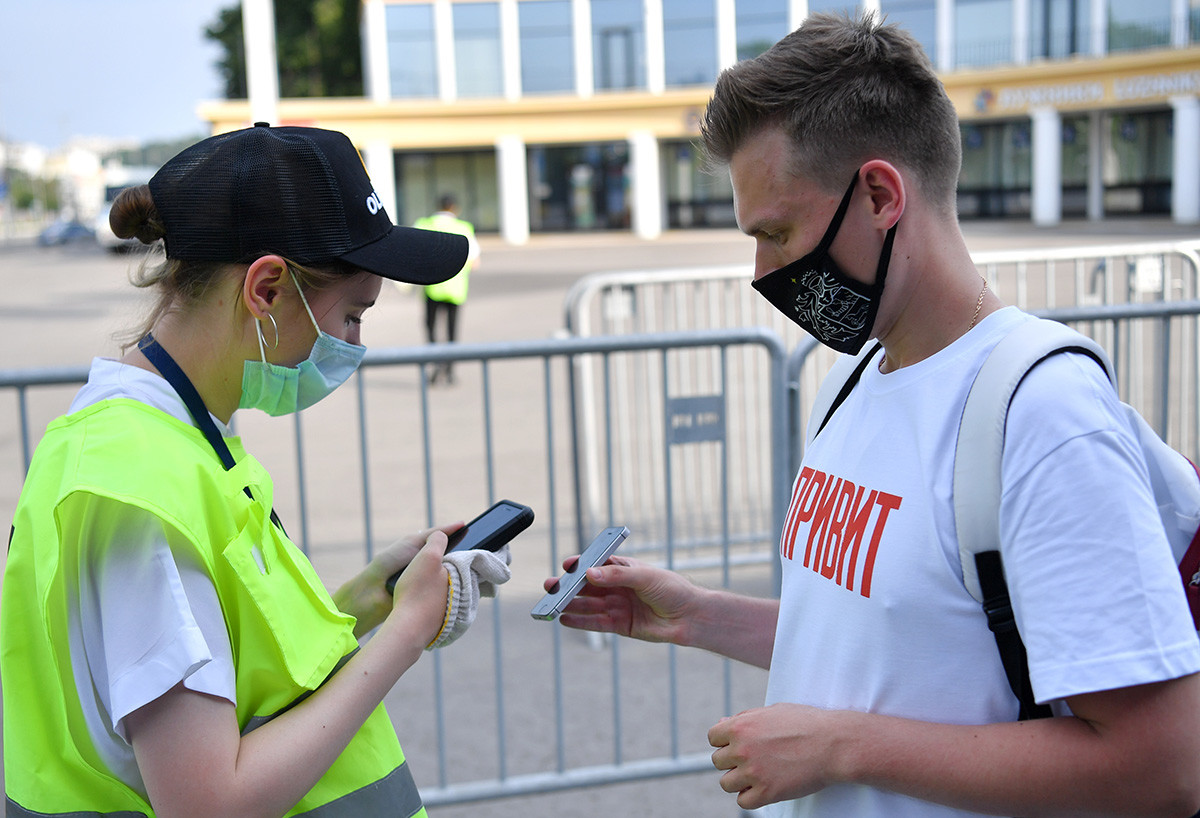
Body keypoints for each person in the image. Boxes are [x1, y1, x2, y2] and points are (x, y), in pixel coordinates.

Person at [547, 13, 1200, 818]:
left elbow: (1161, 766)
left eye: (777, 232)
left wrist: (841, 748)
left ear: (882, 194)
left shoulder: (1043, 414)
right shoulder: (853, 378)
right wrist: (700, 616)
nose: (761, 270)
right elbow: (895, 637)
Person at [1, 123, 504, 818]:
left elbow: (227, 662)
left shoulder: (181, 437)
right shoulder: (138, 491)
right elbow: (210, 802)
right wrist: (405, 636)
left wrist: (366, 600)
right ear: (266, 288)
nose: (355, 344)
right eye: (354, 315)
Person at [414, 193, 480, 385]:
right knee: (452, 330)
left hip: (432, 287)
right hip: (455, 289)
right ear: (454, 208)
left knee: (431, 328)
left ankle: (435, 365)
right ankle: (450, 370)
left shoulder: (424, 224)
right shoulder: (464, 228)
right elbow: (474, 261)